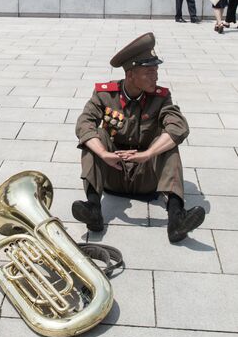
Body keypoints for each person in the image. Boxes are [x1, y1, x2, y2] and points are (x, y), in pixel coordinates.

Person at [72, 32, 205, 244]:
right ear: (131, 74)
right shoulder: (105, 94)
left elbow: (178, 126)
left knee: (168, 143)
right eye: (149, 72)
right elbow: (84, 123)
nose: (156, 77)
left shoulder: (161, 97)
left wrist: (148, 154)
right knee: (95, 136)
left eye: (156, 71)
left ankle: (176, 219)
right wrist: (104, 154)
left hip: (146, 176)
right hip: (113, 171)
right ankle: (94, 210)